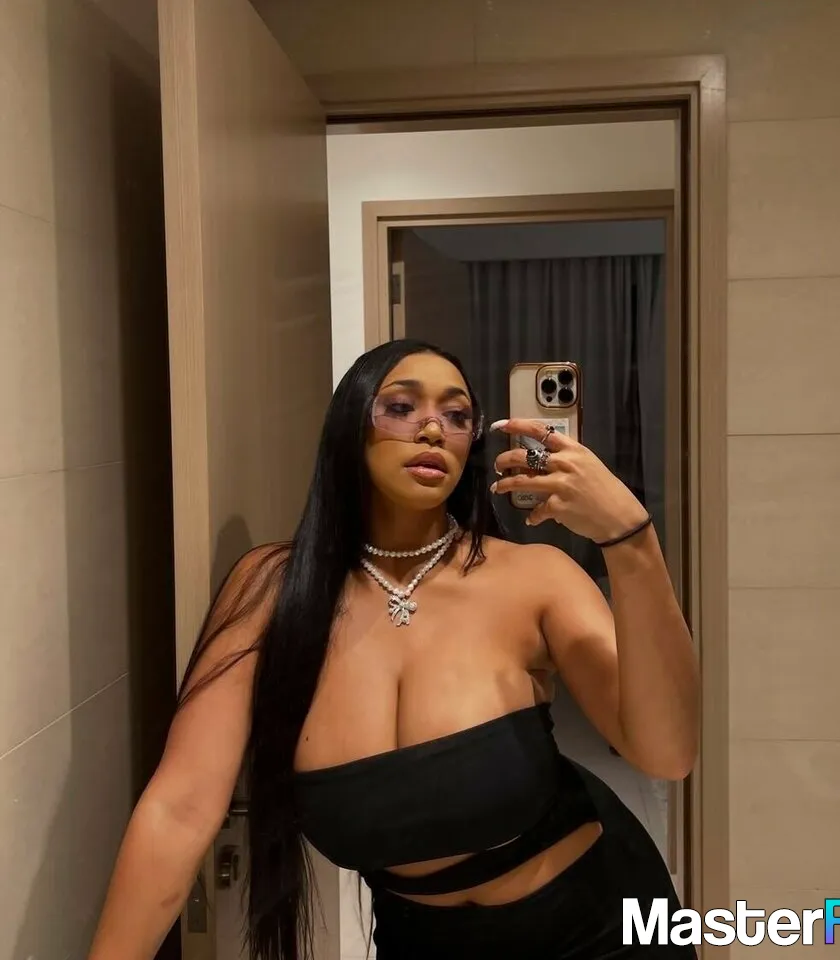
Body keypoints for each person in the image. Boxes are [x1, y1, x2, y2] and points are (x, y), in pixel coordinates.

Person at [88, 338, 700, 960]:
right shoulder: (272, 591)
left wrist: (631, 539)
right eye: (402, 408)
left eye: (457, 415)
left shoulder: (535, 577)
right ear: (351, 426)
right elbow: (180, 810)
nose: (433, 429)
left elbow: (668, 753)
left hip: (602, 929)